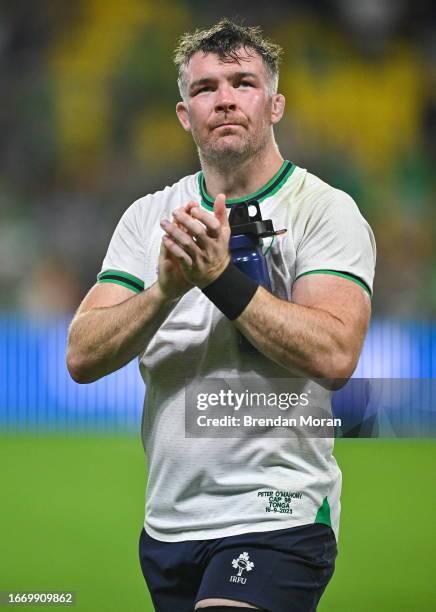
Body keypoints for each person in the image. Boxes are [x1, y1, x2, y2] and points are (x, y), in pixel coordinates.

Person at [66, 19, 376, 612]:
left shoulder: (322, 210)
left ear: (275, 104)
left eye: (244, 83)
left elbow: (336, 356)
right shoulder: (148, 217)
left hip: (278, 513)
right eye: (206, 88)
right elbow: (82, 355)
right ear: (185, 114)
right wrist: (163, 290)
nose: (226, 99)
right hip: (169, 524)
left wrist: (217, 278)